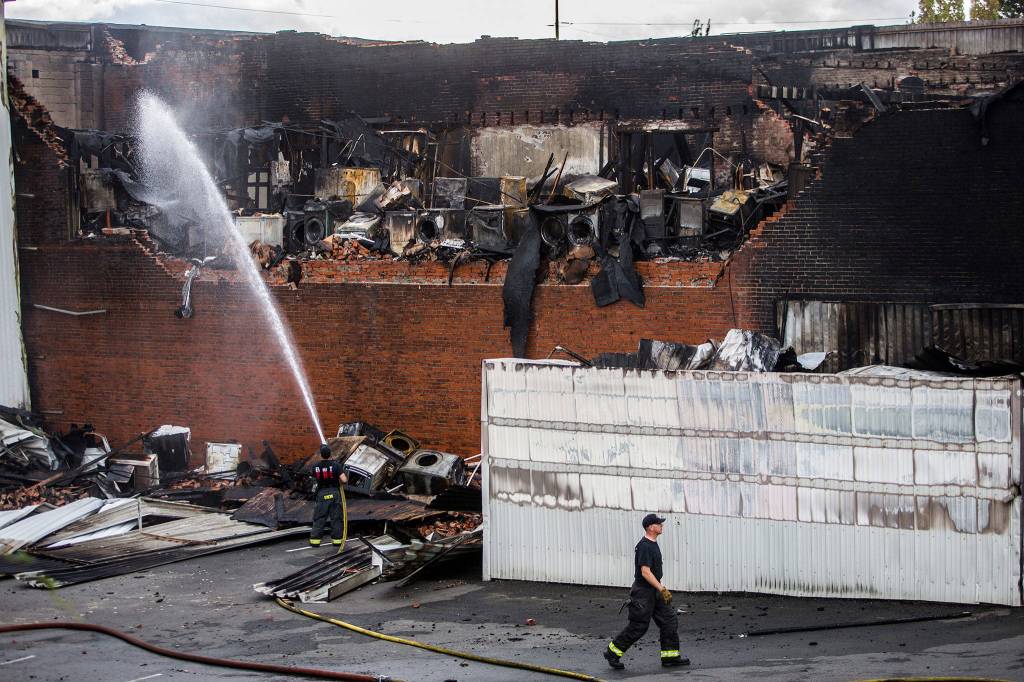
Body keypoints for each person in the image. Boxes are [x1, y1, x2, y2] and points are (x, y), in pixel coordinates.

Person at [604, 513, 690, 670]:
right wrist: (661, 588)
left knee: (669, 620)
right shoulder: (644, 546)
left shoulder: (653, 543)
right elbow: (645, 572)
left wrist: (659, 589)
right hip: (643, 593)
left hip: (654, 592)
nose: (662, 526)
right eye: (659, 524)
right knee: (639, 626)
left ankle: (670, 657)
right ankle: (612, 652)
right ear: (651, 527)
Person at [309, 443, 347, 547]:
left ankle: (315, 541)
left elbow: (313, 481)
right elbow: (344, 480)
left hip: (321, 493)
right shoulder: (336, 465)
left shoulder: (315, 467)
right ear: (330, 454)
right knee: (336, 518)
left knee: (319, 518)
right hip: (334, 493)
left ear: (321, 455)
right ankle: (337, 541)